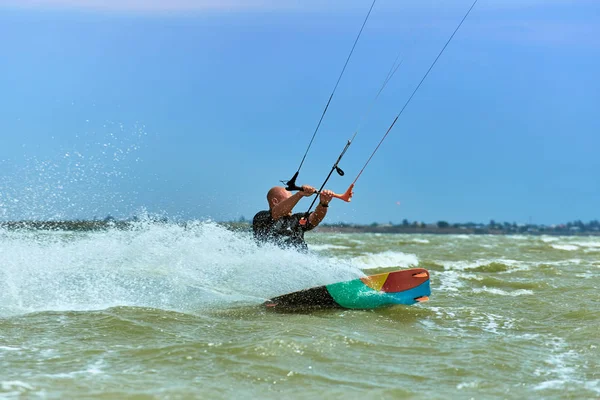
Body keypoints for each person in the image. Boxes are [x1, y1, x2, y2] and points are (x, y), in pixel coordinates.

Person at [252, 185, 334, 251]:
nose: (294, 203)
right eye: (290, 199)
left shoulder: (297, 219)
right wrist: (299, 194)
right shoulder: (261, 217)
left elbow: (315, 219)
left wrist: (323, 203)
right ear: (275, 201)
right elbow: (276, 213)